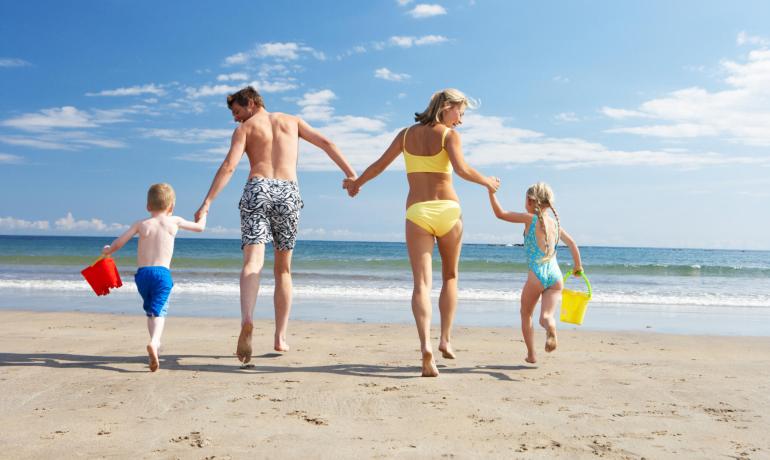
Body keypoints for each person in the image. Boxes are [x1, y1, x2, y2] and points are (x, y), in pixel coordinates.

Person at [344, 89, 500, 377]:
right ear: (447, 107)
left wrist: (357, 183)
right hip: (448, 210)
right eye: (460, 113)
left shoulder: (405, 135)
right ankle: (445, 339)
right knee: (451, 276)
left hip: (417, 212)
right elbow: (462, 170)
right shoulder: (449, 136)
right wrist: (488, 182)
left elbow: (379, 165)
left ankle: (426, 347)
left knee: (421, 285)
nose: (461, 121)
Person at [195, 86, 357, 363]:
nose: (235, 119)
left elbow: (229, 166)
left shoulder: (246, 129)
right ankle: (280, 337)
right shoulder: (292, 121)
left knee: (252, 262)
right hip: (289, 192)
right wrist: (351, 174)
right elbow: (327, 143)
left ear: (251, 103)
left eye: (236, 112)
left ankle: (247, 319)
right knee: (283, 268)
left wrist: (207, 202)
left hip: (258, 188)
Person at [101, 183, 206, 372]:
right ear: (171, 206)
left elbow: (118, 243)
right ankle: (155, 341)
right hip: (162, 275)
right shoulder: (174, 221)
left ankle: (155, 345)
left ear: (148, 206)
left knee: (151, 311)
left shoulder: (141, 224)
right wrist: (204, 214)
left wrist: (108, 250)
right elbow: (200, 228)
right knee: (160, 312)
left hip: (142, 275)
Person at [487, 182, 583, 364]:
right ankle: (551, 325)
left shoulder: (529, 219)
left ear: (531, 201)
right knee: (546, 316)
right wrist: (578, 267)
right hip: (555, 276)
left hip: (536, 274)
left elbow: (500, 214)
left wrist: (491, 193)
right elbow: (572, 244)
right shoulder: (555, 224)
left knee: (526, 313)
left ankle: (531, 354)